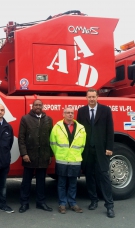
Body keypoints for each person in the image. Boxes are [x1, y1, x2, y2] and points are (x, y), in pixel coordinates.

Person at [76, 88, 115, 218]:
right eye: (89, 97)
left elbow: (110, 130)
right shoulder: (81, 112)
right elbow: (79, 131)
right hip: (87, 150)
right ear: (86, 98)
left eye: (94, 97)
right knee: (89, 176)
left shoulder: (106, 110)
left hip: (101, 150)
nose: (91, 99)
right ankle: (93, 200)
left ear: (97, 97)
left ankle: (109, 205)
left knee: (104, 176)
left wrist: (109, 147)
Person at [18, 99, 53, 213]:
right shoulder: (25, 119)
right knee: (26, 182)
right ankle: (24, 203)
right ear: (32, 106)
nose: (38, 106)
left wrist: (50, 155)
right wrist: (24, 154)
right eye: (36, 105)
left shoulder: (48, 120)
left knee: (41, 181)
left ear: (43, 106)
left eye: (40, 105)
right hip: (29, 156)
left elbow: (51, 139)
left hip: (43, 156)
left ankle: (41, 203)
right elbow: (21, 138)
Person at [50, 107, 86, 214]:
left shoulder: (81, 128)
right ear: (63, 114)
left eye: (71, 113)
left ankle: (72, 203)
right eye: (67, 113)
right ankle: (62, 204)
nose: (70, 114)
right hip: (62, 160)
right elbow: (52, 143)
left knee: (73, 183)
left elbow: (83, 145)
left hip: (75, 160)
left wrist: (75, 154)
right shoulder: (57, 127)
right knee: (61, 183)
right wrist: (59, 154)